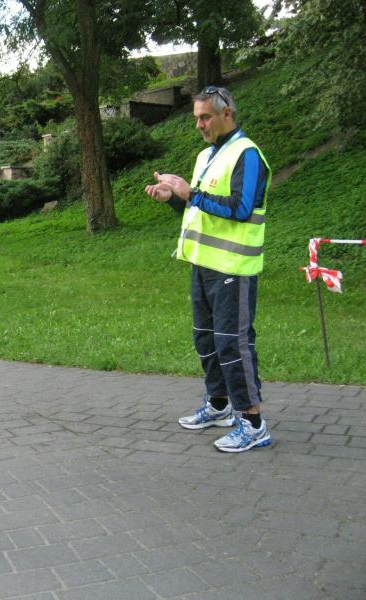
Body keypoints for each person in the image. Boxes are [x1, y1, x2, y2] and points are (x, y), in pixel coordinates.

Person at [144, 86, 272, 453]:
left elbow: (240, 209)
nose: (199, 124)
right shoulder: (206, 156)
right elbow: (199, 209)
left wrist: (191, 194)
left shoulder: (248, 154)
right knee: (206, 340)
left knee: (233, 344)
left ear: (226, 113)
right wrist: (174, 199)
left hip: (234, 266)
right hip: (203, 264)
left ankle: (253, 423)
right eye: (197, 118)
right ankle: (219, 406)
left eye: (205, 117)